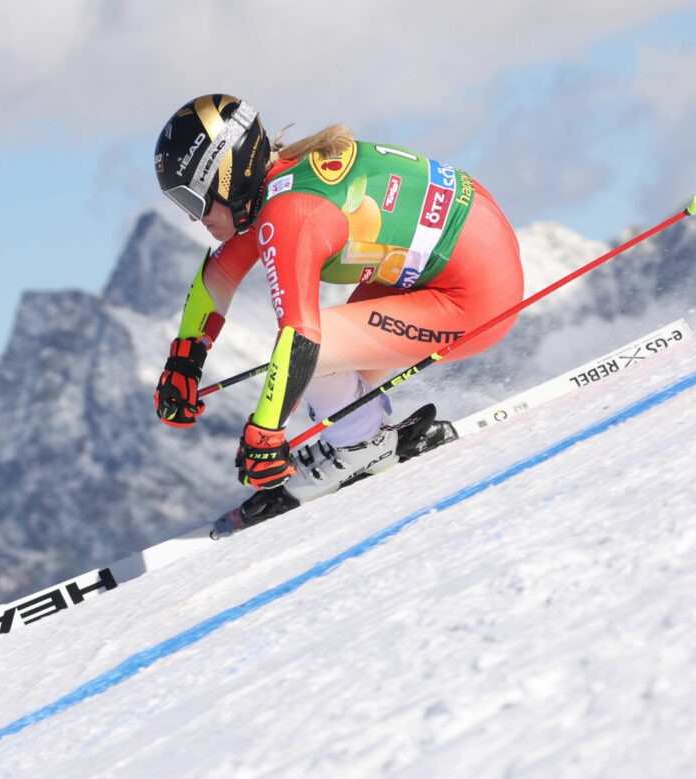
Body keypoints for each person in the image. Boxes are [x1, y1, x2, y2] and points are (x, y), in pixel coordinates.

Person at [152, 93, 525, 529]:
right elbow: (218, 276)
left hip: (475, 297)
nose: (195, 220)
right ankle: (360, 434)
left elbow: (302, 336)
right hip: (471, 254)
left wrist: (267, 433)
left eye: (192, 202)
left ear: (226, 178)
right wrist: (185, 359)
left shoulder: (288, 214)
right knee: (329, 380)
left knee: (313, 350)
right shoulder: (284, 179)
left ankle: (361, 445)